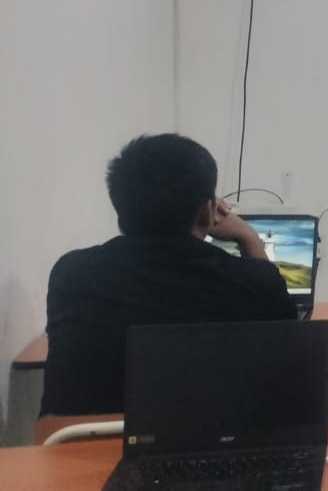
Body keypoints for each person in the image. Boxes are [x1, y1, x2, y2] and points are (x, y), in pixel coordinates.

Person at [42, 134, 296, 416]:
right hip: (207, 437)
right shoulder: (253, 283)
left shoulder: (72, 274)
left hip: (80, 440)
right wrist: (247, 235)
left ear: (119, 205)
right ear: (207, 211)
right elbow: (287, 346)